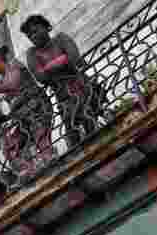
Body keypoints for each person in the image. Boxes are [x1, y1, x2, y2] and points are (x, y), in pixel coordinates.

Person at [0, 45, 55, 177]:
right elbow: (7, 103)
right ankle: (29, 170)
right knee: (11, 148)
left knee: (40, 136)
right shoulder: (0, 79)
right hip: (22, 116)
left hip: (36, 108)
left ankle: (51, 161)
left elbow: (13, 85)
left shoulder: (14, 65)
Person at [21, 14, 105, 148]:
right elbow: (40, 78)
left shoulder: (61, 38)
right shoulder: (32, 53)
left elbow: (75, 59)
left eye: (35, 30)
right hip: (64, 98)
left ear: (47, 27)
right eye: (29, 35)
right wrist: (62, 60)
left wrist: (48, 67)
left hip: (82, 88)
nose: (33, 36)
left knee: (93, 125)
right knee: (73, 136)